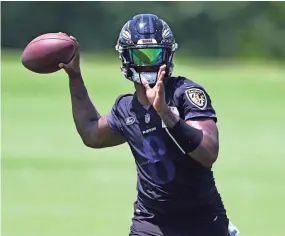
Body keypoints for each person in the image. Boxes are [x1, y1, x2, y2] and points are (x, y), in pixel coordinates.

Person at [59, 14, 239, 236]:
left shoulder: (185, 93)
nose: (147, 63)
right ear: (126, 58)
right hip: (150, 224)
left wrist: (165, 113)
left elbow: (209, 152)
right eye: (140, 56)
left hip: (202, 221)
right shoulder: (126, 108)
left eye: (154, 55)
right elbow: (91, 133)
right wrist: (75, 76)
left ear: (167, 55)